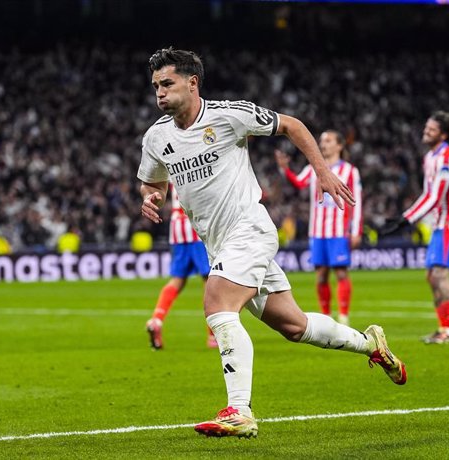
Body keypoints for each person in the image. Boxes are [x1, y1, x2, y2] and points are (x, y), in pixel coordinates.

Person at [137, 48, 407, 439]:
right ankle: (371, 345)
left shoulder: (229, 115)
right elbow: (153, 179)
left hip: (248, 229)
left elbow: (292, 125)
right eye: (155, 86)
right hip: (217, 242)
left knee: (217, 303)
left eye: (167, 83)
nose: (159, 93)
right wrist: (152, 195)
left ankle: (239, 410)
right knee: (294, 326)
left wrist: (323, 172)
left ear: (192, 82)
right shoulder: (157, 136)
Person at [381, 111, 449, 344]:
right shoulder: (430, 157)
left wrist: (406, 219)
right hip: (440, 224)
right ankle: (444, 329)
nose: (425, 131)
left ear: (444, 134)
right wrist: (405, 217)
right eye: (426, 127)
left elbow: (435, 197)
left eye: (431, 129)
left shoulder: (448, 159)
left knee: (440, 274)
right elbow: (427, 194)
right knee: (431, 276)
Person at [274, 131, 363, 326]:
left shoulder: (350, 171)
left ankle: (344, 316)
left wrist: (356, 231)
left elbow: (357, 202)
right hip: (317, 232)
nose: (324, 144)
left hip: (339, 231)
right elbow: (299, 183)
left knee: (341, 272)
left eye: (329, 140)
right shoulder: (313, 168)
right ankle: (326, 315)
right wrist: (285, 169)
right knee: (321, 275)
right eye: (322, 141)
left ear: (339, 146)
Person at [146, 182, 217, 349]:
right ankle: (213, 335)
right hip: (196, 225)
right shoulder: (194, 157)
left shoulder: (171, 160)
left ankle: (157, 319)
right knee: (210, 280)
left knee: (177, 280)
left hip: (177, 227)